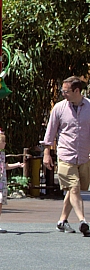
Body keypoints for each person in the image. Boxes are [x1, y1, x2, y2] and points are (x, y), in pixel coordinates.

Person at [42, 76, 90, 235]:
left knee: (73, 189)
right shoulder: (59, 108)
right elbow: (50, 132)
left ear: (77, 91)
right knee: (74, 187)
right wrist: (47, 154)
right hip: (65, 155)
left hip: (83, 156)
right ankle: (83, 221)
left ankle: (62, 221)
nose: (63, 94)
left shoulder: (89, 106)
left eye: (66, 91)